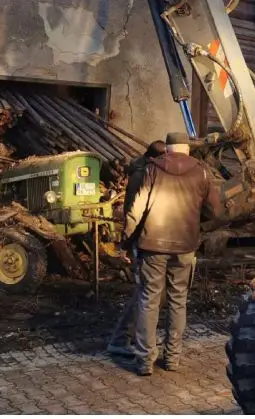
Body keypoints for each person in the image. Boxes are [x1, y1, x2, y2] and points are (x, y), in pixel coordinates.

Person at [123, 131, 224, 376]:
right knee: (178, 300)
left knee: (149, 300)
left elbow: (137, 208)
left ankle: (145, 361)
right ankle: (172, 358)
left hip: (152, 245)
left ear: (167, 149)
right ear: (187, 149)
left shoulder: (152, 169)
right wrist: (196, 222)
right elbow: (215, 211)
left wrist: (126, 240)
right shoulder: (201, 171)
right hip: (185, 246)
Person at [105, 140, 166, 357]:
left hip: (145, 238)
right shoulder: (143, 175)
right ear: (153, 158)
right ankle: (122, 338)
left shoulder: (144, 170)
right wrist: (129, 243)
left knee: (150, 292)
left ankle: (144, 335)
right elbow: (136, 212)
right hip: (143, 240)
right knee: (146, 292)